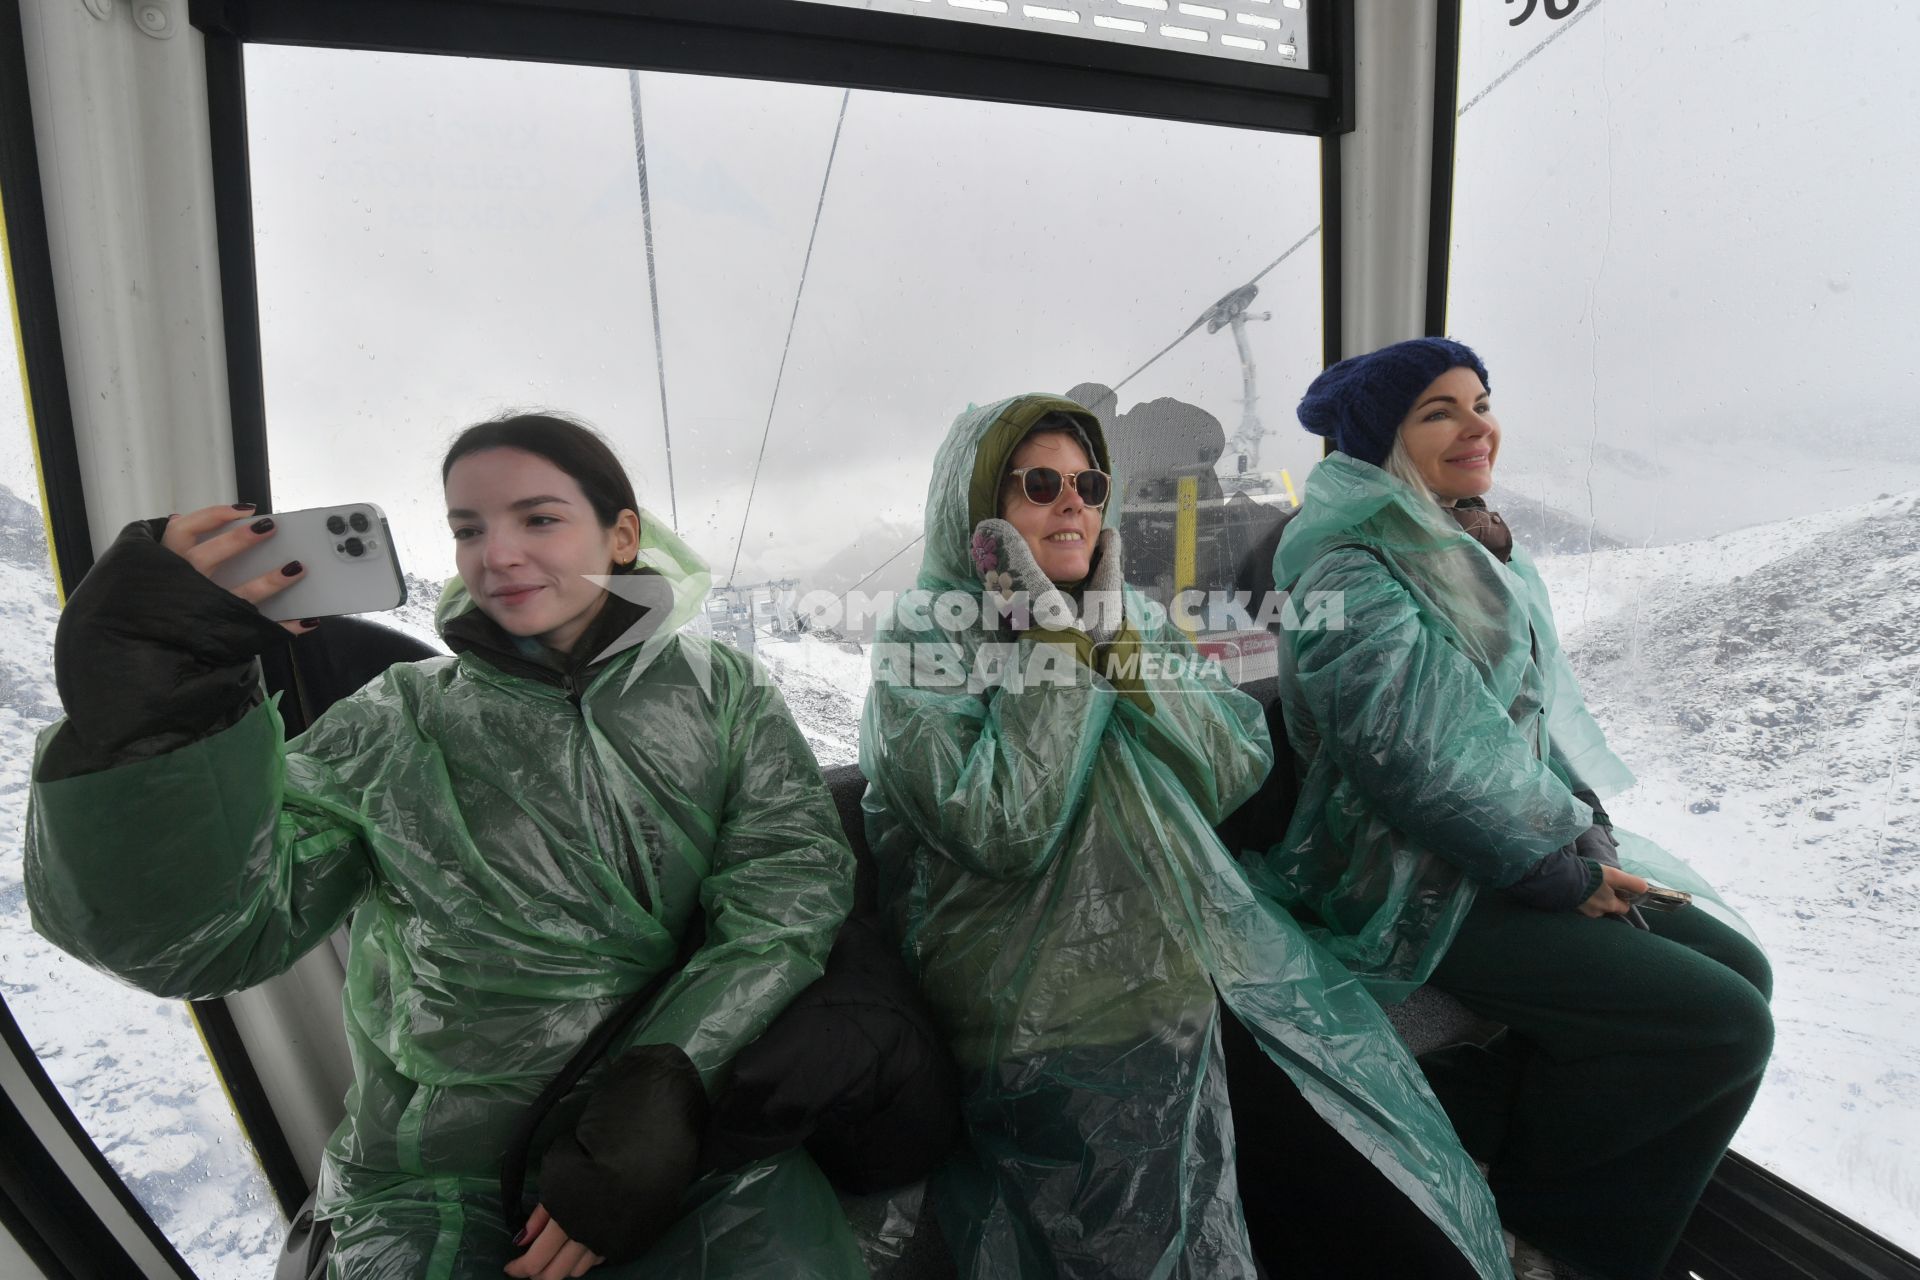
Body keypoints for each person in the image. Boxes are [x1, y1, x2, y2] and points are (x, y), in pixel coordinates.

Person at [25, 413, 951, 1279]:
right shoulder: (400, 722)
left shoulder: (723, 693)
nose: (495, 554)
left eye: (537, 518)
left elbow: (787, 891)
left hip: (683, 1139)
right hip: (434, 1181)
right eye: (468, 528)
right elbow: (207, 935)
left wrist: (665, 1087)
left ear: (621, 536)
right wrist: (157, 713)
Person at [859, 393, 1513, 1279]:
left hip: (1214, 962)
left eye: (1090, 484)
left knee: (1407, 1219)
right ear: (978, 512)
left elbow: (1231, 761)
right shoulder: (921, 640)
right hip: (1061, 1012)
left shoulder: (1124, 614)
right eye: (1040, 482)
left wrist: (1112, 643)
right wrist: (1052, 647)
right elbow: (1002, 826)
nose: (1074, 504)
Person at [1249, 339, 1774, 1280]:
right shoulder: (1349, 572)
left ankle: (1496, 1129)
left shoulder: (1460, 543)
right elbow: (1420, 755)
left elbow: (1522, 725)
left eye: (1480, 401)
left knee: (1744, 969)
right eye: (1438, 411)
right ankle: (1557, 1246)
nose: (1476, 424)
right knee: (1721, 1024)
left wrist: (1586, 824)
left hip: (1494, 843)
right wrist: (1558, 870)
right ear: (1382, 442)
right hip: (1395, 872)